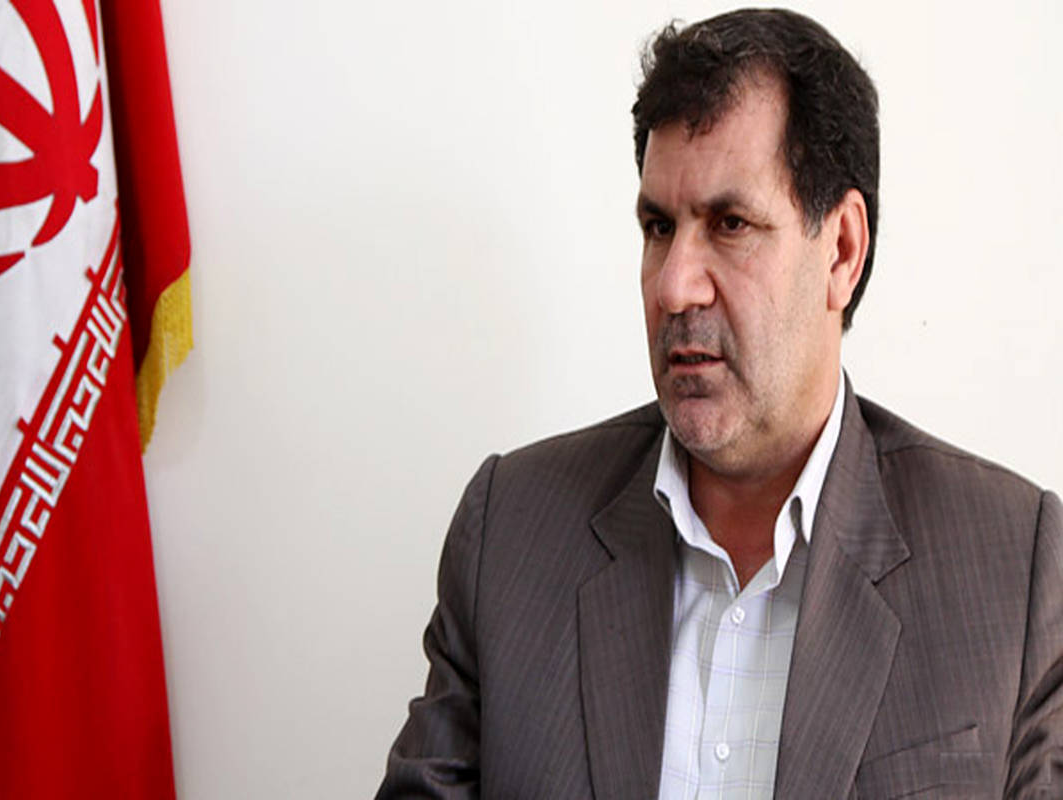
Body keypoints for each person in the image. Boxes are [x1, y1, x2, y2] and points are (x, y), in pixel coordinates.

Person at [376, 9, 1062, 799]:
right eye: (658, 226)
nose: (674, 286)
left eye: (730, 224)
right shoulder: (512, 535)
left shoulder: (1013, 570)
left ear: (841, 251)